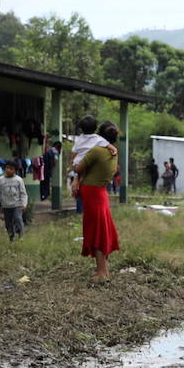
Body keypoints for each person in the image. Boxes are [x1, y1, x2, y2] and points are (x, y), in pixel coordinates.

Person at [71, 115, 121, 281]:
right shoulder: (112, 152)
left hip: (92, 193)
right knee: (103, 230)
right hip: (101, 193)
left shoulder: (96, 152)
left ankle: (101, 272)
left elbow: (79, 168)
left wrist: (76, 176)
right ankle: (105, 270)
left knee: (96, 231)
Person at [0, 160, 28, 241]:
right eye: (7, 168)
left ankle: (21, 234)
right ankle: (11, 237)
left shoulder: (19, 180)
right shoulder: (1, 179)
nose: (8, 170)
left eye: (11, 168)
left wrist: (24, 204)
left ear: (15, 170)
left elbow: (23, 193)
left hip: (17, 204)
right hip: (6, 205)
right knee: (8, 223)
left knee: (17, 218)